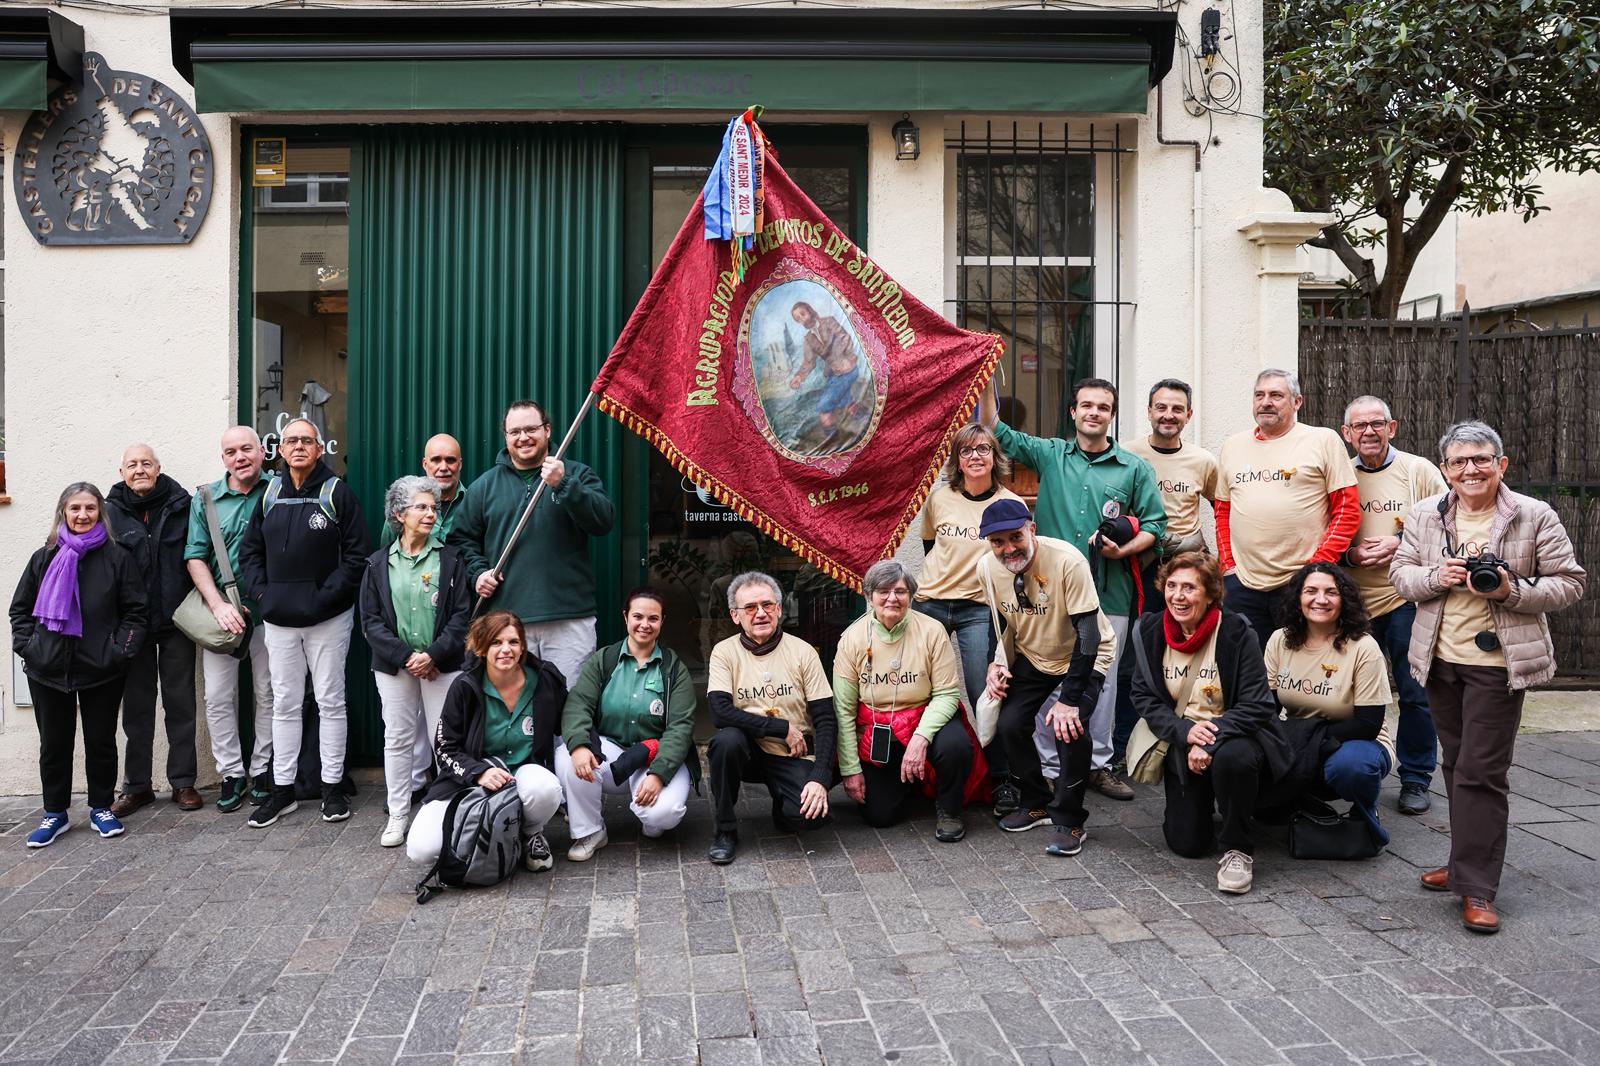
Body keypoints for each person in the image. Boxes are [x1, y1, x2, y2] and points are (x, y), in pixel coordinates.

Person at [1392, 420, 1586, 934]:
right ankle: (1463, 864)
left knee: (1481, 771)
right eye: (1459, 461)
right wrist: (1438, 576)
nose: (1470, 469)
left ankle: (1477, 887)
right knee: (1455, 766)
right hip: (1439, 661)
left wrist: (1509, 590)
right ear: (1446, 470)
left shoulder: (1532, 514)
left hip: (1499, 665)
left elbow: (1569, 584)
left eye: (1481, 459)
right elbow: (1401, 575)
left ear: (1501, 464)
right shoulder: (1425, 515)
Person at [981, 378, 1166, 801]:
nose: (1094, 412)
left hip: (1109, 589)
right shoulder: (1051, 454)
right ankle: (1048, 767)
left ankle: (1098, 766)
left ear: (1112, 415)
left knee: (1102, 682)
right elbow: (995, 428)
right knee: (1048, 677)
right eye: (1086, 405)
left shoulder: (1134, 468)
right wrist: (987, 375)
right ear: (1073, 412)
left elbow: (1156, 526)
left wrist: (1124, 551)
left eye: (1103, 406)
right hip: (1049, 593)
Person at [238, 418, 371, 828]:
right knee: (285, 703)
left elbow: (356, 556)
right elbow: (249, 554)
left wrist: (322, 598)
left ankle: (331, 788)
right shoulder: (270, 494)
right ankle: (283, 791)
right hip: (279, 620)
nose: (298, 446)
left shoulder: (337, 493)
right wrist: (263, 595)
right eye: (291, 440)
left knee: (331, 701)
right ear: (280, 450)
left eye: (306, 441)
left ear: (319, 449)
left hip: (327, 619)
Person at [1127, 552, 1285, 894]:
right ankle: (1217, 801)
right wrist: (1185, 733)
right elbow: (1143, 696)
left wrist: (1208, 739)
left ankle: (1238, 848)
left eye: (1189, 587)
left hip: (1235, 734)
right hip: (1182, 739)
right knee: (1187, 844)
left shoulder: (1236, 632)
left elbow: (1257, 704)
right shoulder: (1150, 630)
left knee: (1234, 759)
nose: (1178, 596)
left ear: (1211, 593)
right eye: (1171, 586)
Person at [10, 483, 149, 846]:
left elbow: (136, 612)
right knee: (53, 745)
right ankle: (54, 813)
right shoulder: (45, 557)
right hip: (48, 669)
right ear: (64, 513)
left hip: (101, 668)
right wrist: (29, 647)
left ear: (99, 512)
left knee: (101, 742)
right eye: (75, 509)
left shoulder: (117, 557)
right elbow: (20, 610)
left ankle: (101, 807)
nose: (82, 515)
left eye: (89, 508)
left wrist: (119, 651)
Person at [978, 499, 1115, 857]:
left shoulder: (1068, 560)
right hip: (1034, 653)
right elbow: (1001, 622)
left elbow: (1088, 634)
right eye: (997, 542)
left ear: (1032, 530)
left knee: (1069, 728)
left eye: (1015, 537)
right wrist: (996, 663)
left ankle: (1070, 820)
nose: (1008, 548)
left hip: (1084, 654)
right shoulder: (987, 568)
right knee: (1010, 725)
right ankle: (1036, 800)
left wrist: (1070, 700)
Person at [451, 400, 615, 685]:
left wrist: (563, 485)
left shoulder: (576, 474)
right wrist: (478, 574)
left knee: (568, 709)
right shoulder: (484, 486)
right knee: (515, 710)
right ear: (505, 436)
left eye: (531, 429)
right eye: (514, 431)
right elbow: (460, 540)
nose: (523, 437)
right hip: (507, 622)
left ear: (547, 430)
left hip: (569, 619)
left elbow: (603, 521)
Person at [1340, 395, 1448, 816]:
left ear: (1392, 427)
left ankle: (1416, 778)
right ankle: (1356, 771)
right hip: (1352, 603)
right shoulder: (1342, 474)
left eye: (1376, 424)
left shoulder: (1418, 471)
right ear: (1347, 434)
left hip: (1405, 598)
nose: (1368, 432)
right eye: (1359, 426)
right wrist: (1350, 556)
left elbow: (1448, 527)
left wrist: (1400, 543)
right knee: (1353, 694)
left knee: (1415, 691)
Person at [914, 422, 1023, 813]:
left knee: (984, 693)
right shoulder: (939, 498)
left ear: (995, 457)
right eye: (966, 451)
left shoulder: (1010, 503)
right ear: (957, 461)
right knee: (921, 688)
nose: (975, 457)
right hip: (930, 602)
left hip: (979, 608)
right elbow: (930, 547)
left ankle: (1001, 779)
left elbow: (1015, 560)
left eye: (983, 449)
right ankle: (924, 772)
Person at [406, 611, 567, 874]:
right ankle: (492, 835)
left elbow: (570, 720)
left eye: (513, 642)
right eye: (496, 642)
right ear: (481, 647)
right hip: (470, 781)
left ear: (523, 646)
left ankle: (531, 833)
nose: (506, 649)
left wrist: (585, 745)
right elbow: (445, 748)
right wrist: (478, 772)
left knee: (546, 788)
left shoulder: (544, 679)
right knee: (421, 849)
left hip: (523, 775)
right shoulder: (465, 686)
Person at [360, 475, 472, 848]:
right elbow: (370, 622)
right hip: (395, 668)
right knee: (397, 740)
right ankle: (398, 814)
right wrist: (408, 657)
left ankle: (445, 813)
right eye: (421, 507)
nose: (431, 514)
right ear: (399, 514)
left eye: (434, 508)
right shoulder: (377, 564)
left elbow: (461, 616)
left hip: (442, 665)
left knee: (445, 741)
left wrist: (433, 655)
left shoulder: (451, 559)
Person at [1216, 368, 1359, 652]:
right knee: (1248, 669)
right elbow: (1222, 510)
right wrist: (1228, 565)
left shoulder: (1322, 440)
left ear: (1297, 402)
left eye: (1276, 395)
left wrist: (1316, 569)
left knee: (1302, 667)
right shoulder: (1233, 446)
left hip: (1301, 582)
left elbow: (1347, 510)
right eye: (1260, 395)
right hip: (1243, 583)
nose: (1266, 402)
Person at [835, 560, 977, 841]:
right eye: (883, 591)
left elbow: (947, 694)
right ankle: (907, 786)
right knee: (880, 816)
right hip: (878, 730)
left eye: (900, 591)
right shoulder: (851, 639)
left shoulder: (932, 631)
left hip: (925, 718)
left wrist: (920, 738)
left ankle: (949, 809)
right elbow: (843, 710)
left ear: (911, 595)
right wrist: (850, 771)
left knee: (956, 745)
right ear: (870, 596)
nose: (892, 598)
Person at [705, 571, 837, 865]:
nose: (760, 613)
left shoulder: (803, 652)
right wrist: (780, 728)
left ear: (779, 609)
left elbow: (826, 719)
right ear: (735, 615)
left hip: (793, 755)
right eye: (750, 608)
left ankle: (784, 803)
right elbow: (719, 712)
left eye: (768, 605)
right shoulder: (724, 652)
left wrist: (819, 779)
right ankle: (725, 829)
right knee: (726, 741)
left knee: (809, 819)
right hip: (748, 753)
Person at [557, 587, 696, 861]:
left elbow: (680, 727)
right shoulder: (604, 660)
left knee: (662, 814)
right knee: (566, 756)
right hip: (611, 754)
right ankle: (591, 830)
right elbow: (578, 706)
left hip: (654, 754)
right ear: (625, 618)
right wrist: (580, 745)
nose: (645, 624)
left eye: (653, 619)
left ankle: (650, 818)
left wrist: (658, 774)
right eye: (638, 616)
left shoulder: (673, 668)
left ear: (662, 622)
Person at [1263, 563, 1396, 849]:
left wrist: (1308, 744)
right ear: (1298, 598)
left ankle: (1365, 809)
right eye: (1311, 591)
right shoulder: (1279, 640)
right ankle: (1302, 801)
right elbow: (1268, 707)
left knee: (1351, 767)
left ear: (1344, 600)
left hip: (1356, 740)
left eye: (1331, 592)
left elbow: (1368, 723)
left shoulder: (1363, 647)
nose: (1320, 599)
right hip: (1301, 735)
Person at [104, 444, 200, 816]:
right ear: (121, 471)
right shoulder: (110, 512)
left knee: (181, 704)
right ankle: (137, 786)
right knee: (137, 708)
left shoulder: (183, 505)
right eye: (132, 464)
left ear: (159, 468)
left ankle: (183, 783)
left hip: (175, 619)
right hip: (132, 625)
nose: (139, 469)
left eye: (146, 463)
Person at [184, 426, 275, 812]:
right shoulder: (205, 498)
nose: (240, 457)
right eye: (231, 451)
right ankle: (231, 773)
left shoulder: (278, 492)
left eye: (247, 449)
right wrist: (218, 604)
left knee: (269, 693)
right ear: (223, 458)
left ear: (261, 451)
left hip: (269, 610)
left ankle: (265, 768)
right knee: (219, 697)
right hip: (221, 612)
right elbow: (195, 556)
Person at [379, 433, 469, 548]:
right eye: (436, 460)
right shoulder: (404, 504)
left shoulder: (473, 504)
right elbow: (387, 555)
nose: (443, 468)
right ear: (425, 464)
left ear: (460, 464)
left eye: (450, 460)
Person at [788, 301, 861, 434]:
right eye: (798, 319)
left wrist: (844, 358)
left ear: (810, 311)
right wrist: (798, 377)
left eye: (803, 314)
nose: (802, 319)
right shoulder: (808, 339)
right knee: (846, 402)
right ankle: (861, 417)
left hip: (848, 367)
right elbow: (808, 362)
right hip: (833, 373)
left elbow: (845, 338)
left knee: (823, 407)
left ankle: (831, 440)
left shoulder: (829, 321)